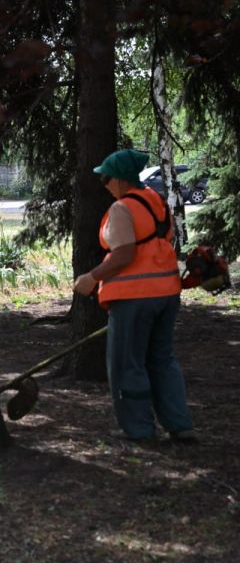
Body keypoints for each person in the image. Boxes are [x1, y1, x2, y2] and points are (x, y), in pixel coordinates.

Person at [73, 149, 196, 443]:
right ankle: (179, 424)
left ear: (119, 180)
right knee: (162, 360)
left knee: (128, 363)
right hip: (166, 294)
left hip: (134, 298)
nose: (104, 184)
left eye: (105, 178)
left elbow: (125, 253)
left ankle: (139, 429)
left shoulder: (122, 208)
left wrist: (92, 278)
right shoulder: (157, 202)